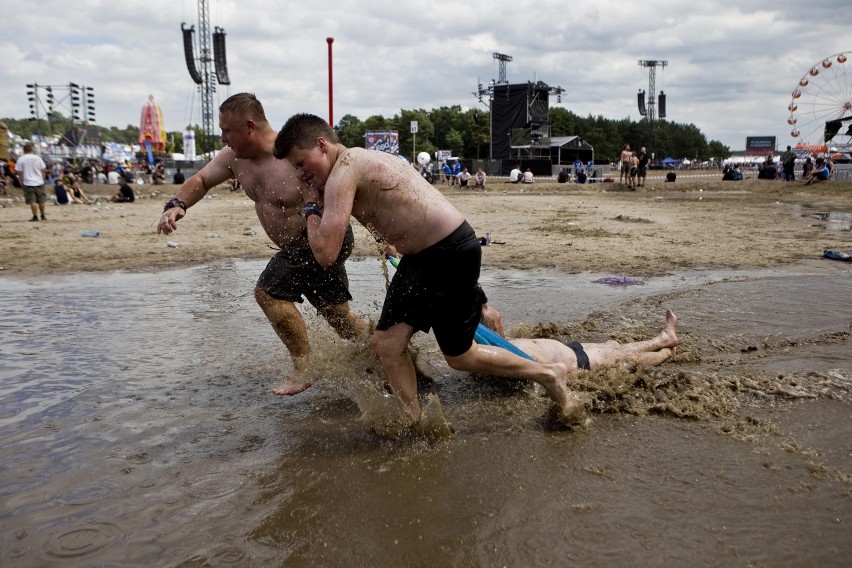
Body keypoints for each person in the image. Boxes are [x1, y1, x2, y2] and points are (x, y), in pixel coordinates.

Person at [273, 113, 583, 424]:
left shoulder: (344, 170)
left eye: (301, 164)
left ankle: (548, 373)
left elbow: (326, 253)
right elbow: (398, 203)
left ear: (321, 144)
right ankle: (413, 419)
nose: (301, 175)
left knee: (461, 356)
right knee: (388, 343)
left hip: (446, 253)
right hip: (425, 256)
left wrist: (311, 205)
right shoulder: (355, 161)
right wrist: (390, 240)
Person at [157, 93, 366, 396]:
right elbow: (202, 180)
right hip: (298, 247)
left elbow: (347, 173)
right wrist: (177, 204)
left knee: (268, 292)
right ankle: (383, 354)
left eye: (227, 130)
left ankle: (304, 369)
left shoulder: (293, 152)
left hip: (322, 237)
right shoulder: (233, 158)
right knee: (337, 314)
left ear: (250, 125)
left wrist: (386, 236)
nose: (222, 136)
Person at [492, 309, 678, 376]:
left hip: (570, 349)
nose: (502, 321)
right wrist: (582, 376)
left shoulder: (497, 342)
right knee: (627, 359)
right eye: (499, 322)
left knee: (613, 345)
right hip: (581, 362)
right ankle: (666, 351)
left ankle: (662, 339)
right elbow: (548, 373)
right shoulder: (508, 356)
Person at [16, 143, 48, 221]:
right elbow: (43, 170)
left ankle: (35, 216)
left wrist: (21, 182)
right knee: (41, 200)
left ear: (24, 150)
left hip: (28, 182)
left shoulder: (21, 159)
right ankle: (43, 215)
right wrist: (42, 179)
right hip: (39, 181)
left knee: (32, 200)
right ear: (32, 149)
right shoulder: (38, 158)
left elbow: (20, 173)